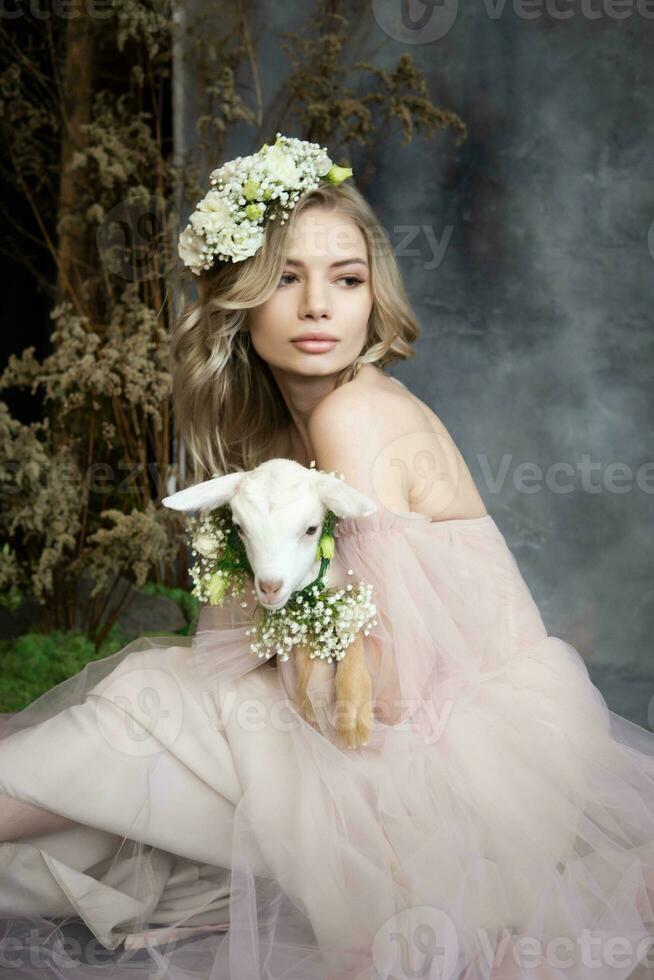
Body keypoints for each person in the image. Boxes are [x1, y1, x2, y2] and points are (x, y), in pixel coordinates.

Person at [0, 134, 652, 980]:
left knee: (150, 705)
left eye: (346, 279)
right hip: (383, 711)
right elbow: (242, 630)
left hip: (439, 745)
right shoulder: (280, 430)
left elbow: (380, 684)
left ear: (374, 297)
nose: (319, 307)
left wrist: (228, 674)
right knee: (137, 728)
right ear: (237, 297)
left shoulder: (356, 417)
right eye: (286, 278)